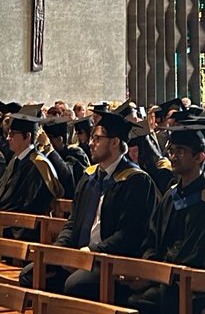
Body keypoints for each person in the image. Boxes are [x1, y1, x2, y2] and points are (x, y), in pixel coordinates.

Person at [33, 110, 158, 300]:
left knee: (74, 284)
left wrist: (92, 252)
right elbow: (73, 221)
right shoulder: (89, 176)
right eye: (92, 138)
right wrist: (61, 248)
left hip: (110, 261)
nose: (90, 144)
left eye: (97, 139)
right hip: (80, 254)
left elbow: (130, 234)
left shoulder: (135, 181)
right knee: (32, 273)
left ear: (115, 142)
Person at [132, 117, 205, 314]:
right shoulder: (170, 197)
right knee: (133, 302)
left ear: (199, 157)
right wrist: (150, 266)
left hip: (201, 291)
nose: (173, 156)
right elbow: (151, 239)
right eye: (172, 150)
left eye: (181, 151)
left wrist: (164, 272)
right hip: (167, 280)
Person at [0, 106, 62, 214]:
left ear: (27, 136)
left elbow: (26, 207)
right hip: (3, 221)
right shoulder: (15, 160)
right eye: (9, 134)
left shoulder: (38, 164)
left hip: (20, 227)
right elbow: (4, 200)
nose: (8, 138)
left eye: (12, 134)